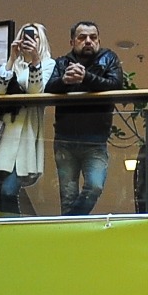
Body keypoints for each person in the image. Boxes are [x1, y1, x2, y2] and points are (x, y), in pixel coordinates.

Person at [0, 22, 54, 216]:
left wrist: (34, 60)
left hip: (23, 135)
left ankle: (12, 237)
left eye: (33, 37)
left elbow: (35, 91)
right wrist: (11, 58)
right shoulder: (10, 65)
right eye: (25, 37)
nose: (28, 41)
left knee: (8, 191)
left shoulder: (48, 63)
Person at [44, 21, 126, 217]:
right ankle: (71, 235)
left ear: (99, 40)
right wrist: (65, 81)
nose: (88, 41)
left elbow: (116, 85)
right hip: (65, 140)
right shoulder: (61, 63)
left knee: (95, 186)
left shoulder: (109, 58)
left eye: (93, 37)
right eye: (82, 37)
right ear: (72, 41)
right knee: (68, 194)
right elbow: (47, 89)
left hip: (95, 140)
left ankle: (68, 224)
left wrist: (85, 78)